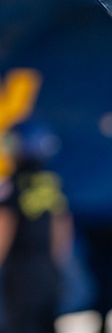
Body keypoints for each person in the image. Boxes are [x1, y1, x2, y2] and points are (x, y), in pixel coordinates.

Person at [0, 121, 74, 333]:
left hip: (20, 272)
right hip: (47, 270)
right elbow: (62, 225)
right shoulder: (52, 183)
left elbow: (5, 224)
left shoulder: (11, 184)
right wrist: (58, 266)